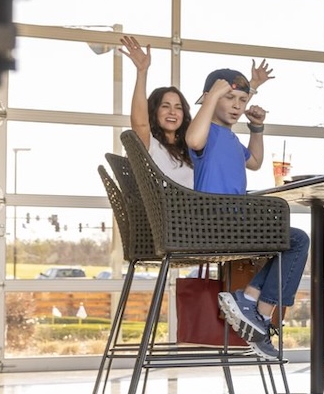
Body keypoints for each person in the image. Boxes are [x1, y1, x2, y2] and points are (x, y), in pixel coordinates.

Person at [185, 64, 310, 361]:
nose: (237, 107)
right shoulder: (206, 133)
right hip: (217, 222)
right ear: (210, 97)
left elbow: (254, 161)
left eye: (242, 101)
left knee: (291, 240)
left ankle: (253, 306)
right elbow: (193, 140)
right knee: (296, 240)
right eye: (230, 99)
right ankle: (259, 310)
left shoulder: (230, 138)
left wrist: (256, 127)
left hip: (234, 221)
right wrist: (214, 95)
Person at [122, 35, 194, 189]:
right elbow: (140, 123)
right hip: (171, 211)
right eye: (165, 106)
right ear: (154, 111)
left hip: (195, 209)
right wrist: (142, 72)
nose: (173, 112)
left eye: (178, 107)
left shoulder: (187, 150)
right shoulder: (151, 145)